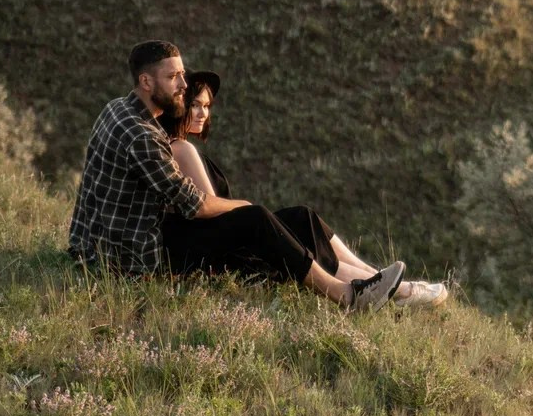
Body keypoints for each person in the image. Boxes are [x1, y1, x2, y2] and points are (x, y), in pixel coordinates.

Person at [67, 40, 404, 311]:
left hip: (100, 245)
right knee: (255, 218)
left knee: (295, 218)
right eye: (173, 77)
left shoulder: (117, 108)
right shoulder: (144, 136)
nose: (184, 85)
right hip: (136, 259)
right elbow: (195, 206)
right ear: (145, 81)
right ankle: (347, 296)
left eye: (182, 75)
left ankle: (383, 287)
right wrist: (241, 205)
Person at [158, 69, 448, 309]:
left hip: (216, 242)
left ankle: (381, 282)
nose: (202, 113)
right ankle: (393, 290)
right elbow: (212, 208)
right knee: (275, 220)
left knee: (301, 217)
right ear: (179, 106)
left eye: (207, 106)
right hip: (214, 254)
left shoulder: (182, 146)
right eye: (195, 104)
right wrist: (247, 207)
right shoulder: (181, 148)